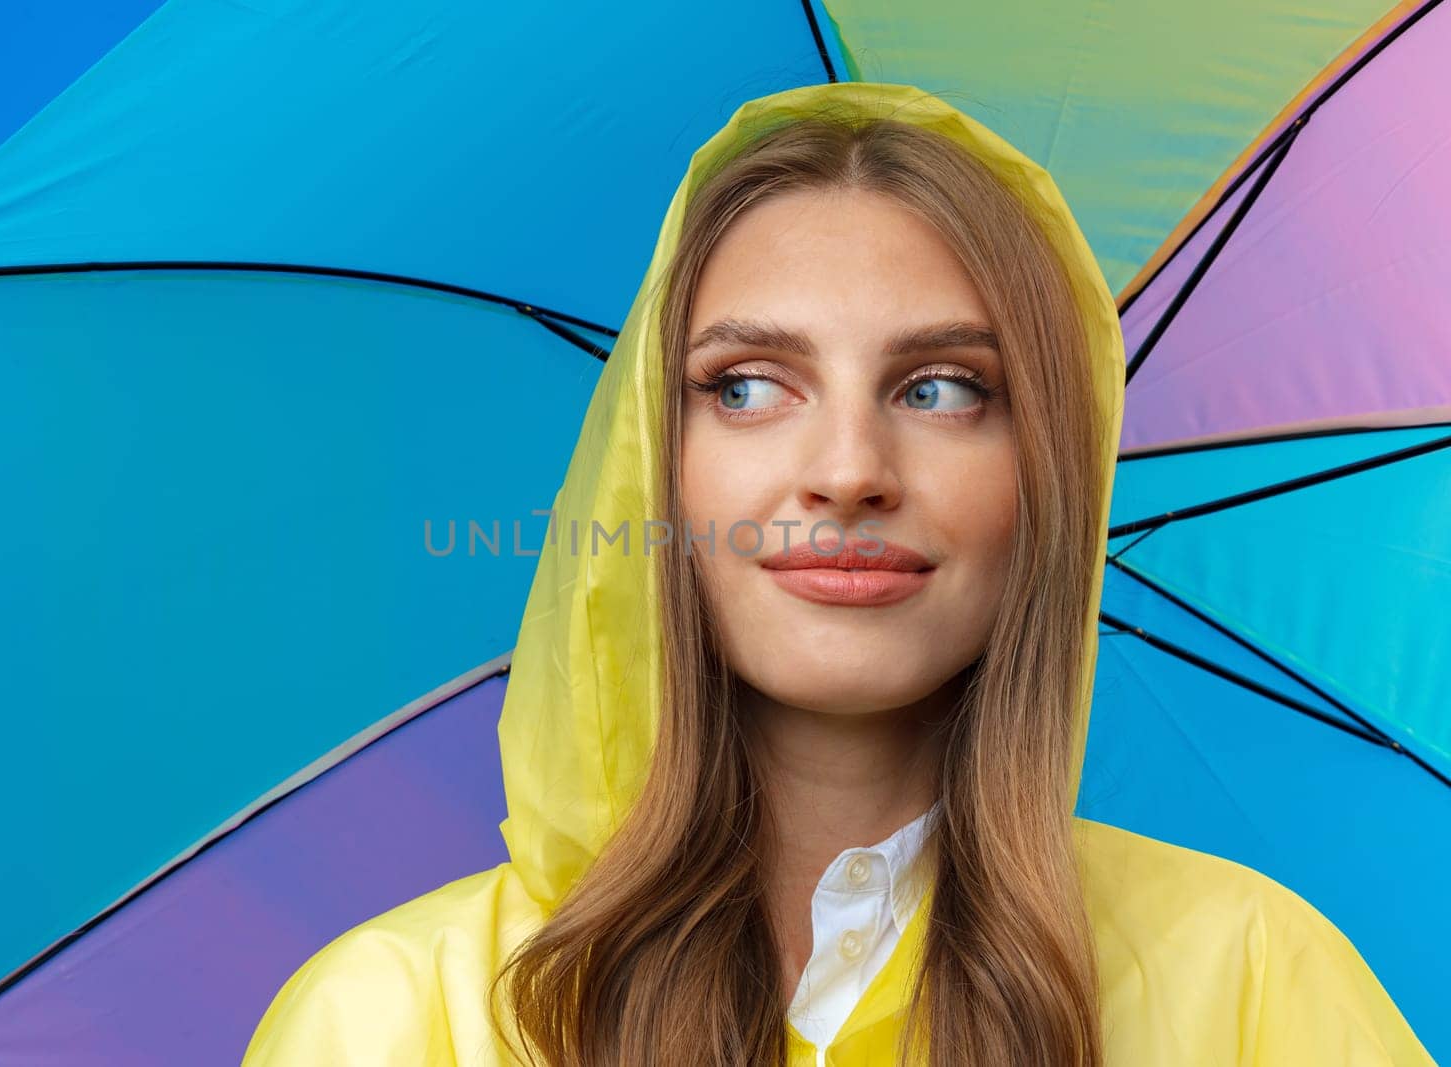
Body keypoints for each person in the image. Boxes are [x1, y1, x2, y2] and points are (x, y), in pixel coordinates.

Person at [240, 81, 1434, 1066]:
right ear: (647, 468)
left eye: (942, 388)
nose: (850, 471)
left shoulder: (1254, 982)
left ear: (1046, 480)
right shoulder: (396, 1018)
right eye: (748, 386)